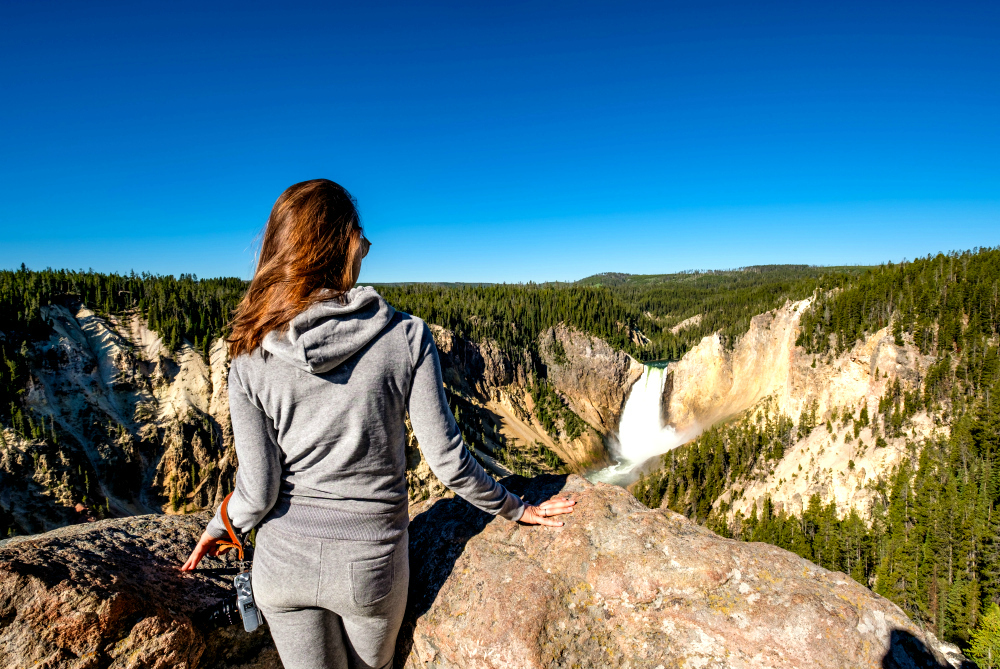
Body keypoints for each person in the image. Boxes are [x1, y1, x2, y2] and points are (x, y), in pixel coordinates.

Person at [179, 179, 576, 669]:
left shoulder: (249, 352)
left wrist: (223, 525)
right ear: (339, 243)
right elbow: (448, 463)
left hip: (281, 565)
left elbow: (258, 491)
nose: (367, 246)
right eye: (360, 235)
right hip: (370, 566)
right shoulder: (404, 336)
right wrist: (516, 508)